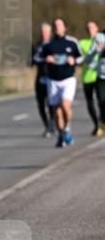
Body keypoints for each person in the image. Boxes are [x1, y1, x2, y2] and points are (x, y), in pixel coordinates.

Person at [41, 17, 83, 147]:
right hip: (52, 80)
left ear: (65, 27)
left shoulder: (72, 42)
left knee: (65, 105)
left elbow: (81, 57)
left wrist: (74, 61)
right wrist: (46, 58)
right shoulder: (48, 44)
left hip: (68, 79)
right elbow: (37, 57)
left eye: (60, 25)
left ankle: (67, 129)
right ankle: (61, 135)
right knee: (56, 111)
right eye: (55, 25)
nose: (57, 27)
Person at [78, 21, 105, 137]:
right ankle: (99, 123)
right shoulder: (99, 38)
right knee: (101, 103)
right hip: (99, 77)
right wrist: (96, 51)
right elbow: (87, 59)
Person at [31, 22, 54, 137]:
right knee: (40, 104)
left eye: (45, 31)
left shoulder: (54, 44)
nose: (43, 33)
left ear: (49, 32)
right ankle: (47, 126)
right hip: (40, 77)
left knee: (51, 103)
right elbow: (31, 61)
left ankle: (52, 124)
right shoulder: (36, 46)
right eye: (42, 31)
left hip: (52, 77)